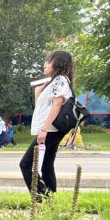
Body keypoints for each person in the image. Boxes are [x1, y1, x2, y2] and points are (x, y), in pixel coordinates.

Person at [19, 51, 74, 199]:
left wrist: (43, 130)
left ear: (58, 64)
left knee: (25, 164)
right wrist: (38, 93)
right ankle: (51, 201)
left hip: (50, 129)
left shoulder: (60, 80)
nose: (45, 64)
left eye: (49, 61)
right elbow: (42, 109)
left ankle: (42, 196)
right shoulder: (54, 82)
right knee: (46, 165)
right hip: (50, 129)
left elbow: (57, 105)